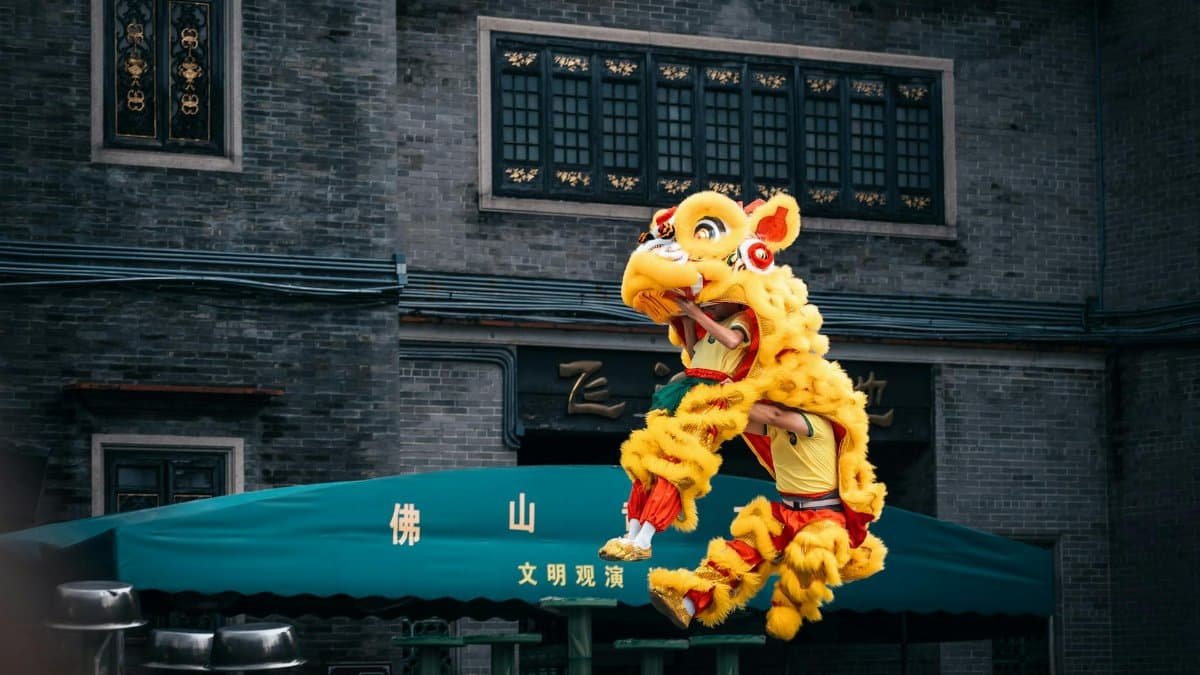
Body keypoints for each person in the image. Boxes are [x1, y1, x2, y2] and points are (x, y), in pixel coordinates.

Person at [598, 296, 756, 562]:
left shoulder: (743, 320)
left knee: (675, 468)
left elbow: (732, 341)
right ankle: (632, 534)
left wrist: (695, 313)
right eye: (707, 303)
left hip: (710, 400)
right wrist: (689, 322)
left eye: (715, 301)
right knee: (646, 464)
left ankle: (645, 539)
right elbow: (698, 359)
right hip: (689, 389)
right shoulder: (712, 324)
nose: (710, 307)